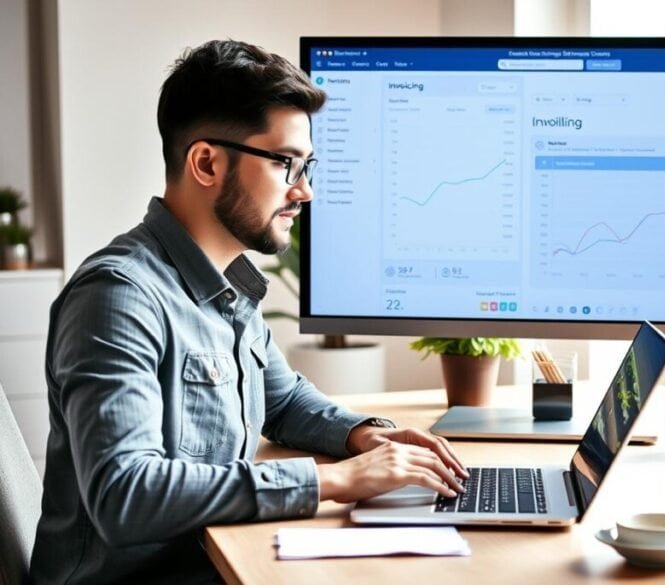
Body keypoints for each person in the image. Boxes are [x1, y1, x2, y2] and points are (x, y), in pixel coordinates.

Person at [29, 39, 468, 585]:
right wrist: (335, 481)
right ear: (207, 162)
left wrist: (367, 436)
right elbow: (126, 494)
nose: (304, 190)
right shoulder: (118, 297)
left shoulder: (228, 286)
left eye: (307, 165)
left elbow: (282, 400)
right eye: (285, 164)